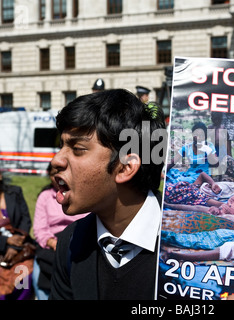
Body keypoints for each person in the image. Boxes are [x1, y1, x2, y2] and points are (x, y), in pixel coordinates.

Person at [49, 89, 166, 300]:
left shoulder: (190, 245)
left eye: (77, 148)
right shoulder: (71, 242)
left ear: (124, 168)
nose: (56, 160)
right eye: (61, 146)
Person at [32, 163, 88, 300]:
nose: (59, 177)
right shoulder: (45, 197)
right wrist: (53, 243)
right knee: (38, 274)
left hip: (78, 240)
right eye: (53, 174)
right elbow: (39, 228)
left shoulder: (84, 196)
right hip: (51, 243)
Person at [0, 171, 34, 300]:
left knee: (23, 279)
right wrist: (6, 241)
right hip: (2, 250)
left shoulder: (14, 192)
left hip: (20, 249)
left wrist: (15, 246)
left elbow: (25, 219)